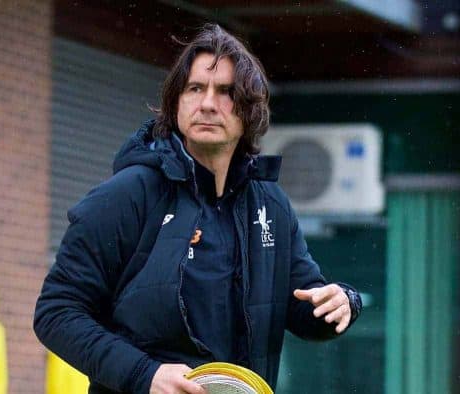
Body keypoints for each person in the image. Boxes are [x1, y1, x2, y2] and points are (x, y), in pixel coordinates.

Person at [34, 24, 362, 394]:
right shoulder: (127, 195)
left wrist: (343, 302)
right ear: (176, 103)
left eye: (225, 92)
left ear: (249, 111)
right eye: (195, 89)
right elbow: (57, 312)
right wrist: (146, 375)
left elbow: (305, 307)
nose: (207, 103)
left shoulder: (271, 205)